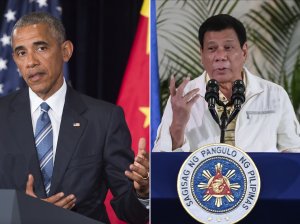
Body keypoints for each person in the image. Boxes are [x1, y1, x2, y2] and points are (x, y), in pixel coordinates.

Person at [0, 12, 149, 223]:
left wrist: (142, 192)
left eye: (41, 48)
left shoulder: (104, 119)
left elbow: (130, 211)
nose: (31, 62)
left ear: (65, 51)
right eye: (21, 53)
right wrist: (22, 209)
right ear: (15, 60)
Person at [153, 14, 300, 153]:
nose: (220, 56)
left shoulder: (274, 95)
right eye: (212, 48)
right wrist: (178, 125)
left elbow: (294, 152)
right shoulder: (182, 98)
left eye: (228, 48)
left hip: (264, 179)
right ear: (201, 55)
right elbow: (163, 160)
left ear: (244, 52)